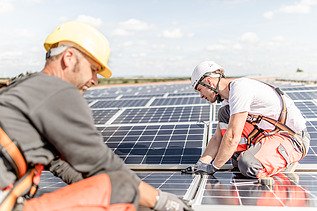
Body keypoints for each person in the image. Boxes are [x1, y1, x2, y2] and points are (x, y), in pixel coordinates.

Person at [0, 21, 192, 211]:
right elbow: (104, 165)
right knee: (122, 188)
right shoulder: (59, 91)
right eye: (93, 69)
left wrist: (99, 183)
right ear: (68, 57)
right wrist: (162, 201)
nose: (94, 81)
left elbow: (58, 164)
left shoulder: (26, 88)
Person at [182, 60, 310, 179]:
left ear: (209, 82)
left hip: (293, 139)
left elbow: (232, 136)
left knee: (247, 165)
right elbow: (217, 138)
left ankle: (285, 163)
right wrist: (201, 164)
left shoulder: (240, 88)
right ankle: (261, 155)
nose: (201, 95)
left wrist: (213, 167)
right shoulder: (228, 102)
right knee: (225, 117)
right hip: (269, 135)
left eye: (200, 89)